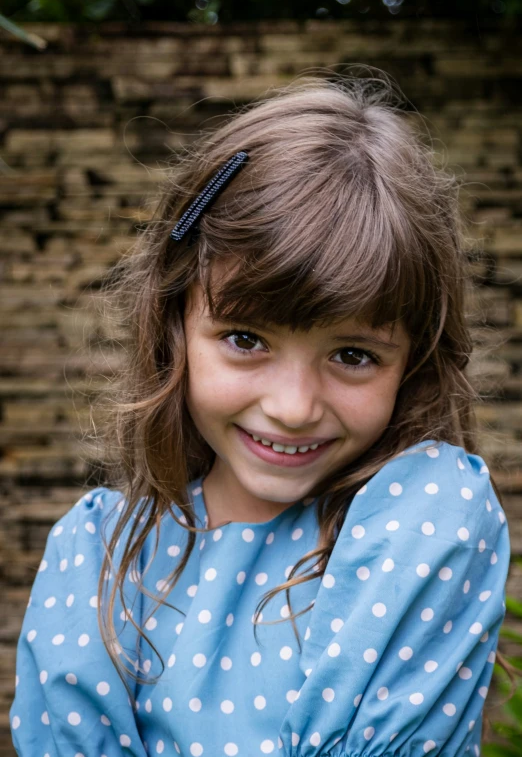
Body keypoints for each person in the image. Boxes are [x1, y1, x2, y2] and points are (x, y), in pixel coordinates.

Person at [10, 73, 511, 757]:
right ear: (173, 323)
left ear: (414, 362)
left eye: (354, 354)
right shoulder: (96, 558)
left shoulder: (425, 519)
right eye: (246, 340)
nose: (293, 406)